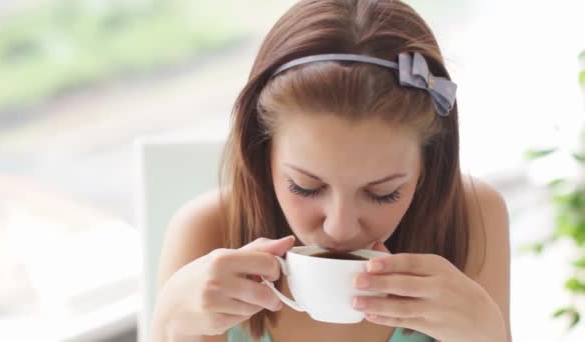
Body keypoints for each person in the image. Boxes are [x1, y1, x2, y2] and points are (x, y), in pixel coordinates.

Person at [149, 0, 511, 341]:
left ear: (428, 167)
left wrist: (486, 332)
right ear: (262, 154)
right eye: (305, 187)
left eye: (383, 193)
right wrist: (172, 326)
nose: (340, 228)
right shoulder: (206, 232)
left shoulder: (472, 217)